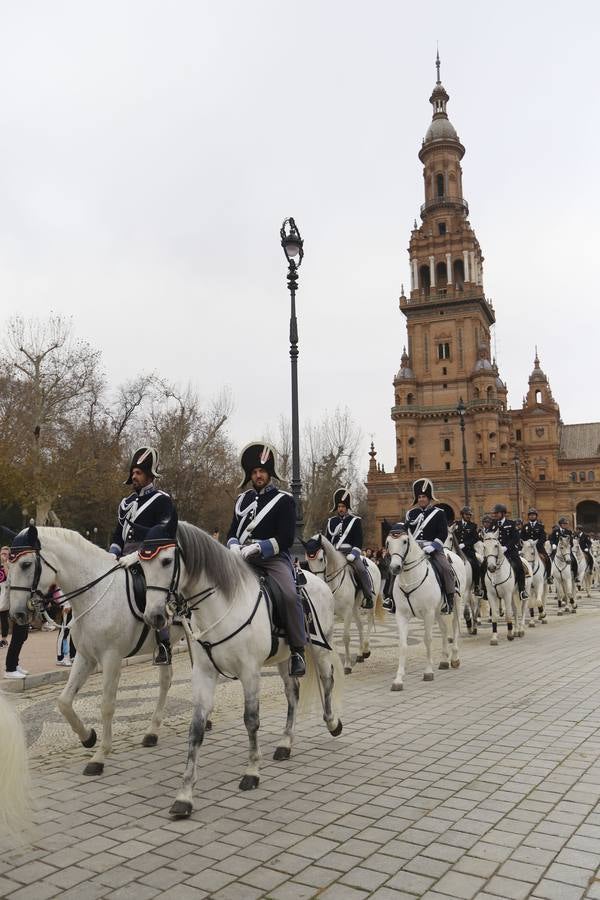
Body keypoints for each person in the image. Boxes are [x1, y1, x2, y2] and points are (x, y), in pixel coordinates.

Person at [227, 441, 306, 678]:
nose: (258, 475)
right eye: (254, 472)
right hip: (241, 559)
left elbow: (285, 538)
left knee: (291, 596)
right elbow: (232, 531)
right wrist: (232, 545)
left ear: (269, 472)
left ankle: (297, 649)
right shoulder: (242, 500)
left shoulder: (283, 500)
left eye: (261, 471)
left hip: (272, 559)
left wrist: (259, 548)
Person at [109, 446, 178, 664]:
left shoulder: (162, 500)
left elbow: (165, 532)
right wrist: (113, 551)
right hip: (123, 555)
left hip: (150, 556)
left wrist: (140, 553)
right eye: (133, 472)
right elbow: (117, 533)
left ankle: (163, 643)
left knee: (151, 592)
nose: (134, 476)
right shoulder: (126, 503)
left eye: (138, 472)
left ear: (149, 475)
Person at [405, 478, 456, 613]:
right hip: (414, 550)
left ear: (429, 498)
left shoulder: (439, 513)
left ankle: (449, 598)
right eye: (419, 497)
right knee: (396, 566)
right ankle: (390, 598)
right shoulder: (411, 513)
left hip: (432, 548)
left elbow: (443, 533)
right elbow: (407, 531)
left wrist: (433, 546)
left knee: (445, 568)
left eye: (424, 497)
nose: (421, 499)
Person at [325, 489, 374, 609]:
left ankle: (368, 597)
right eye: (339, 506)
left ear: (347, 507)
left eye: (343, 506)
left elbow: (358, 540)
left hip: (350, 552)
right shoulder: (331, 521)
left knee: (361, 570)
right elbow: (327, 540)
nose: (341, 509)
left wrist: (354, 553)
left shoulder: (355, 521)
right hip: (334, 553)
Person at [488, 503, 529, 600]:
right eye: (495, 513)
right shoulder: (493, 524)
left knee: (519, 566)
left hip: (510, 552)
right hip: (495, 553)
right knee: (483, 566)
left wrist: (506, 547)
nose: (496, 515)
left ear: (503, 513)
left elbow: (515, 537)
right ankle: (484, 590)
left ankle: (522, 590)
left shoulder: (511, 523)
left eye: (497, 513)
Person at [454, 507, 483, 596]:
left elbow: (475, 538)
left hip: (468, 551)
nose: (468, 516)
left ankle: (477, 586)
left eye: (470, 515)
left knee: (475, 565)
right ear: (462, 515)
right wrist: (456, 545)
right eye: (467, 515)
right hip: (456, 550)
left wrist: (465, 544)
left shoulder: (473, 525)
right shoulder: (456, 524)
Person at [521, 508, 551, 581]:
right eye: (530, 515)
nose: (532, 516)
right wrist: (527, 542)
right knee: (520, 559)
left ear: (536, 516)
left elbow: (543, 537)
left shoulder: (540, 526)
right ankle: (521, 576)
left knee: (547, 559)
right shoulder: (525, 526)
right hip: (527, 548)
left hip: (538, 547)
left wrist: (537, 543)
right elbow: (522, 536)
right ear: (528, 516)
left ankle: (549, 576)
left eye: (533, 515)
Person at [549, 517, 579, 586]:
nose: (565, 525)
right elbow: (551, 539)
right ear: (560, 524)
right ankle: (550, 576)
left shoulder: (569, 532)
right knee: (550, 559)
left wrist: (569, 546)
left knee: (574, 560)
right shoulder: (555, 531)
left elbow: (571, 542)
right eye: (564, 524)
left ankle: (575, 575)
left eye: (566, 524)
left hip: (566, 550)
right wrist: (553, 544)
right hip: (557, 550)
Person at [0, 546, 9, 649]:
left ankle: (4, 640)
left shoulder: (10, 565)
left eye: (6, 554)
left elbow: (9, 577)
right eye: (2, 553)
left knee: (4, 617)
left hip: (7, 593)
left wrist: (5, 563)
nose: (4, 555)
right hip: (1, 591)